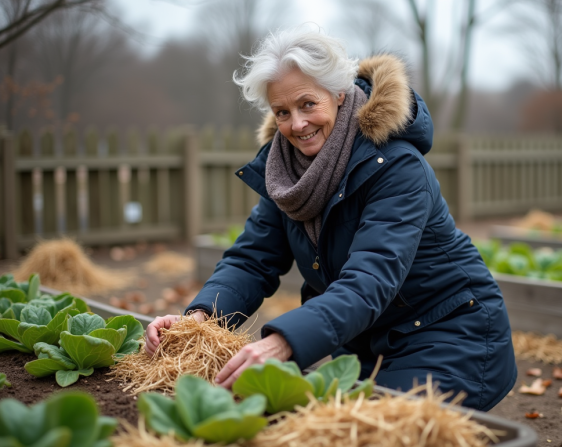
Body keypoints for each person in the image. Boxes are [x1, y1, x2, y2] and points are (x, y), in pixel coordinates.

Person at [145, 27, 517, 411]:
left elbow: (369, 281)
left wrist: (283, 341)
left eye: (308, 104)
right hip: (367, 343)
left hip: (450, 336)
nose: (297, 124)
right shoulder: (287, 171)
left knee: (368, 429)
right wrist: (199, 319)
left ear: (339, 93)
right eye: (282, 112)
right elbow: (252, 260)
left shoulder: (397, 167)